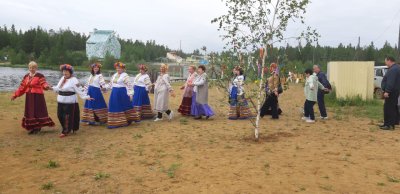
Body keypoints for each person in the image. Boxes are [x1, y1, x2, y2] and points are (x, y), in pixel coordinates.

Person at [11, 61, 55, 134]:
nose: (32, 69)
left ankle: (38, 127)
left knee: (37, 111)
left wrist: (46, 86)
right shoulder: (26, 76)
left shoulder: (40, 75)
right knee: (30, 111)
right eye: (30, 67)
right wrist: (15, 95)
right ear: (28, 68)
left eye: (33, 67)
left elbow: (43, 83)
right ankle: (33, 127)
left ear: (36, 68)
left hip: (38, 96)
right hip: (29, 96)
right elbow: (22, 87)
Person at [51, 64, 93, 138]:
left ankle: (65, 131)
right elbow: (58, 88)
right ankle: (68, 128)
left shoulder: (74, 80)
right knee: (60, 115)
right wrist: (51, 88)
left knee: (67, 117)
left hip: (69, 101)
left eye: (66, 71)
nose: (65, 73)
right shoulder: (62, 78)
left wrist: (86, 97)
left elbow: (79, 89)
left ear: (70, 72)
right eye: (63, 71)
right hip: (61, 100)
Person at [106, 62, 139, 128]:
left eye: (120, 68)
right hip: (114, 93)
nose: (118, 69)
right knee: (114, 105)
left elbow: (129, 85)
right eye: (117, 68)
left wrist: (130, 94)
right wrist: (104, 88)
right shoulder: (114, 75)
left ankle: (127, 120)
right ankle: (115, 121)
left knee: (124, 105)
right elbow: (110, 84)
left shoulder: (125, 75)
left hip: (122, 93)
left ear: (123, 69)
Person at [380, 57, 400, 130]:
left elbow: (390, 82)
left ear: (389, 61)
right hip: (394, 91)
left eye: (385, 62)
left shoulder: (393, 69)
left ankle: (389, 125)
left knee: (388, 108)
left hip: (391, 92)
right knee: (392, 108)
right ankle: (391, 124)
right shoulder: (396, 68)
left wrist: (387, 91)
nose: (385, 63)